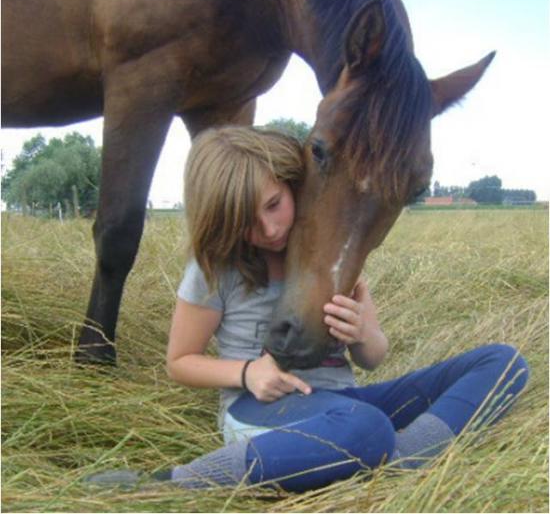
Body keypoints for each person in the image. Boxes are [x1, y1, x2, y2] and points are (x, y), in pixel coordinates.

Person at [87, 126, 529, 492]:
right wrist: (247, 374)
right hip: (261, 410)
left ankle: (406, 458)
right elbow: (179, 362)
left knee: (504, 363)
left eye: (274, 205)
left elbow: (373, 357)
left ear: (291, 183)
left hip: (346, 403)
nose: (269, 228)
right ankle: (173, 483)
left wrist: (362, 334)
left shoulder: (331, 254)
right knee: (367, 428)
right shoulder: (215, 269)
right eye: (246, 221)